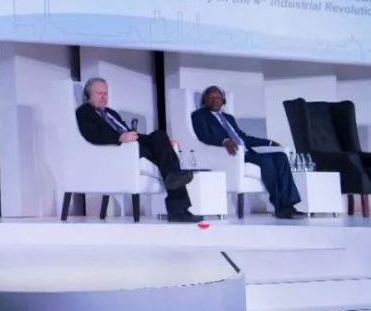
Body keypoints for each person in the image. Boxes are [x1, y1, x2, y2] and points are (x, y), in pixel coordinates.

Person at [75, 78, 202, 223]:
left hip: (132, 145)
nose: (103, 97)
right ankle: (178, 210)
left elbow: (130, 133)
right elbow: (92, 136)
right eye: (99, 93)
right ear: (88, 95)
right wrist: (118, 138)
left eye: (105, 93)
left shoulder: (111, 113)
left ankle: (174, 183)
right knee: (168, 163)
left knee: (160, 136)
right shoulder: (84, 112)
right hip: (118, 152)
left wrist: (165, 142)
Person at [192, 86, 302, 219]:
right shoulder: (199, 116)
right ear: (205, 99)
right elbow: (204, 137)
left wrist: (268, 142)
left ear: (223, 100)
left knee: (281, 156)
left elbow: (244, 138)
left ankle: (289, 205)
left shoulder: (228, 117)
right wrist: (224, 141)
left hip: (247, 153)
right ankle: (280, 207)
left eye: (218, 97)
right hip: (232, 156)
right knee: (266, 161)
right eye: (211, 97)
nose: (215, 100)